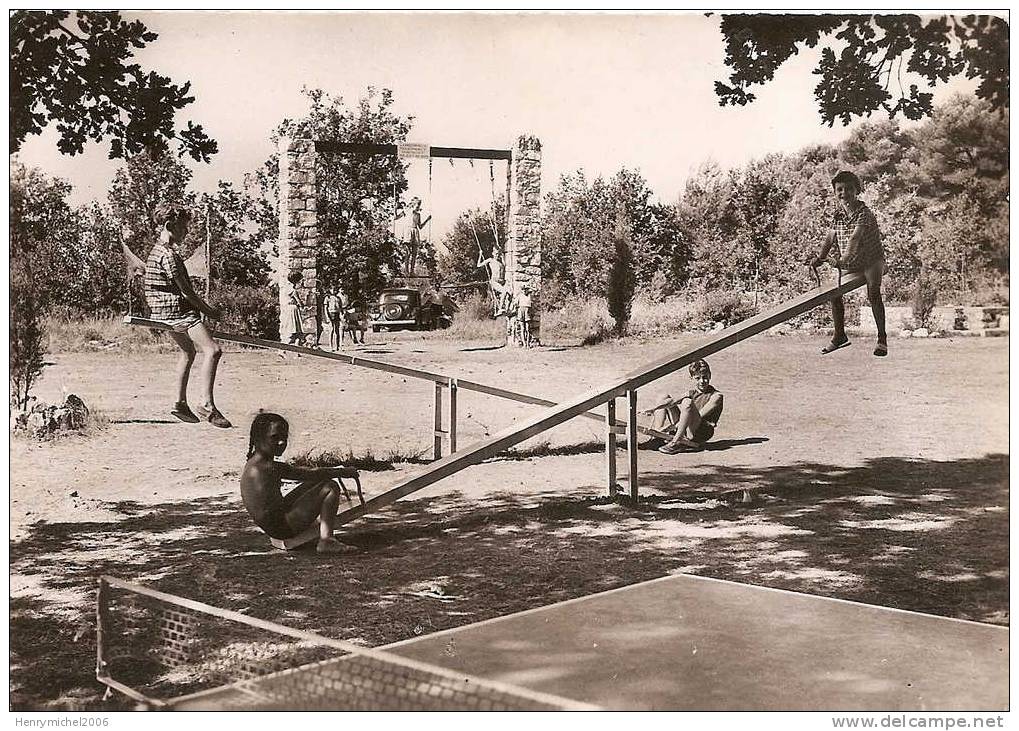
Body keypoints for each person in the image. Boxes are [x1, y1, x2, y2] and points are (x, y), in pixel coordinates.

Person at [143, 203, 231, 428]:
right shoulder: (169, 255)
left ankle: (180, 402)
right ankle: (207, 405)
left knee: (188, 352)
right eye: (183, 227)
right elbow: (187, 292)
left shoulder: (155, 251)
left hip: (160, 311)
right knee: (213, 350)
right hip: (176, 312)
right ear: (169, 225)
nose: (186, 231)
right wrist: (209, 311)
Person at [241, 412, 359, 554]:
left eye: (284, 438)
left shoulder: (254, 462)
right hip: (282, 528)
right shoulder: (269, 467)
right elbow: (310, 474)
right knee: (330, 487)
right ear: (258, 439)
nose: (282, 442)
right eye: (275, 438)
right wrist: (342, 472)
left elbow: (310, 475)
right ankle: (326, 540)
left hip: (273, 523)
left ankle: (325, 537)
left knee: (318, 481)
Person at [810, 170, 888, 357]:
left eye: (849, 189)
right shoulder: (838, 215)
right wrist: (820, 258)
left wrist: (841, 261)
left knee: (873, 293)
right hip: (852, 262)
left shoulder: (864, 213)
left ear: (857, 190)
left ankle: (882, 339)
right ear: (835, 192)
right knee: (835, 293)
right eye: (840, 189)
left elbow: (854, 239)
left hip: (871, 259)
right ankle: (839, 335)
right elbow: (830, 238)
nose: (844, 193)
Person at [640, 359, 723, 454]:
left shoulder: (716, 396)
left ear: (710, 375)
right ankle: (657, 437)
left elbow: (699, 416)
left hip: (700, 431)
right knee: (664, 397)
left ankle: (676, 442)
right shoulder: (691, 392)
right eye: (697, 378)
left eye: (705, 377)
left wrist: (668, 428)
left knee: (687, 402)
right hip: (686, 427)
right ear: (691, 378)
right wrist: (653, 408)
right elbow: (673, 401)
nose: (702, 381)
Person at [406, 197, 431, 275]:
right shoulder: (408, 212)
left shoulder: (418, 215)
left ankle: (412, 271)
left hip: (415, 231)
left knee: (414, 253)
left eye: (419, 205)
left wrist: (427, 220)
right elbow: (396, 217)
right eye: (417, 205)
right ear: (413, 205)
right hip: (409, 231)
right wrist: (396, 208)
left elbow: (420, 226)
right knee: (408, 253)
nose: (418, 207)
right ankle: (406, 271)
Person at [282, 269, 306, 347]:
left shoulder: (288, 290)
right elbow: (299, 302)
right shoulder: (294, 291)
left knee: (298, 334)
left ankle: (297, 352)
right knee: (295, 333)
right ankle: (282, 349)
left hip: (290, 309)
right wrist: (303, 304)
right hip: (294, 310)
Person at [323, 285, 345, 351]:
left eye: (335, 289)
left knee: (337, 331)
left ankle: (338, 346)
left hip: (337, 313)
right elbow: (325, 308)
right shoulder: (328, 297)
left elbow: (340, 307)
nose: (334, 291)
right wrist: (327, 316)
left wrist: (342, 314)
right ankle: (331, 346)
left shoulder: (338, 298)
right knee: (331, 330)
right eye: (332, 289)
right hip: (330, 313)